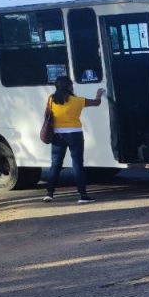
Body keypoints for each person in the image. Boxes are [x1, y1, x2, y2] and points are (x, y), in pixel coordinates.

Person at [43, 75, 106, 203]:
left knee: (55, 164)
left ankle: (49, 193)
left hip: (57, 136)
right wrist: (99, 95)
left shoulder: (51, 99)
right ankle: (83, 195)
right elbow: (96, 103)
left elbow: (47, 115)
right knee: (77, 164)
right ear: (70, 87)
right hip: (75, 135)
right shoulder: (78, 101)